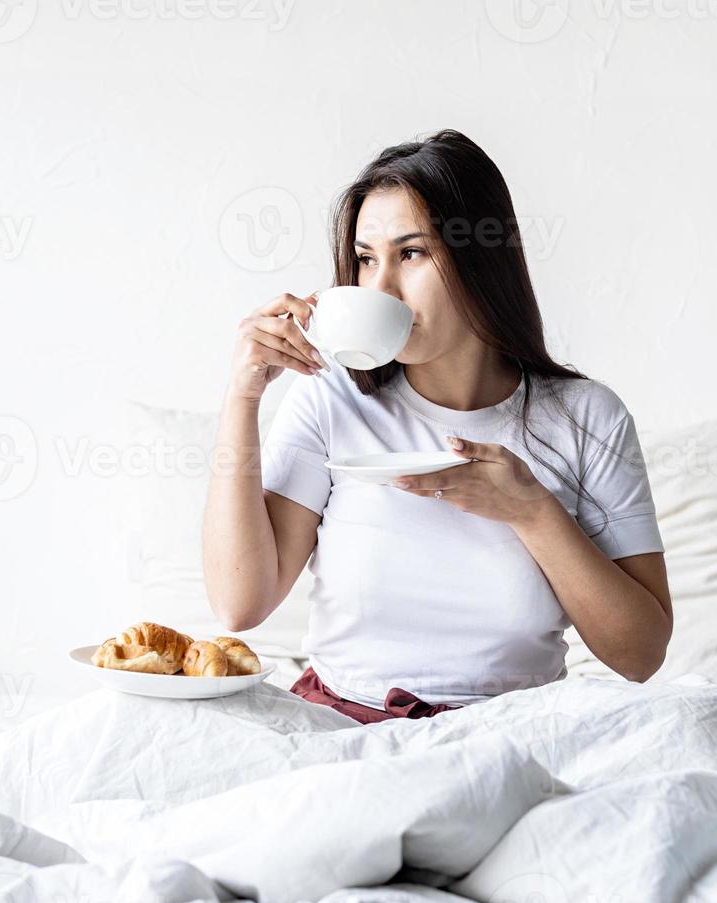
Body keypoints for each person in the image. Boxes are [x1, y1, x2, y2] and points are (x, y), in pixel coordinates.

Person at [203, 129, 672, 725]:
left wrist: (533, 511)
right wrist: (242, 397)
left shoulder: (587, 418)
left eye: (412, 253)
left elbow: (641, 656)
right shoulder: (328, 397)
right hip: (345, 728)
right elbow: (239, 605)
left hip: (517, 733)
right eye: (366, 259)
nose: (380, 288)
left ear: (482, 261)